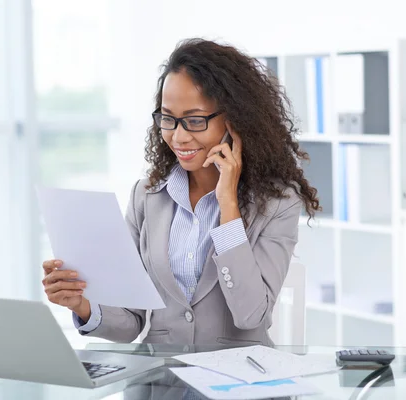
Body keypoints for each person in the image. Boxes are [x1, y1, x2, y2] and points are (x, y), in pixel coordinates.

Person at [42, 38, 320, 345]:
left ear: (236, 121)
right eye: (168, 119)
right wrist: (81, 305)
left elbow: (250, 315)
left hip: (238, 383)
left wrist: (227, 203)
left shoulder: (276, 203)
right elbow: (132, 321)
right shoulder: (146, 196)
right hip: (161, 381)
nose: (178, 136)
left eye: (195, 120)